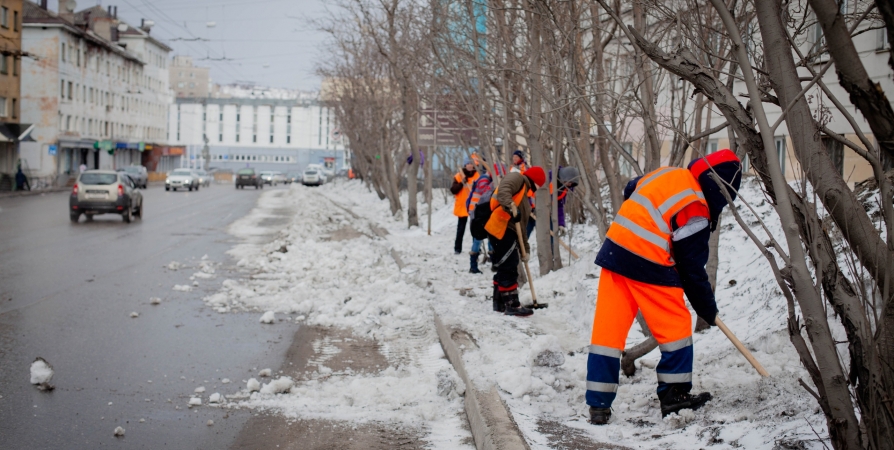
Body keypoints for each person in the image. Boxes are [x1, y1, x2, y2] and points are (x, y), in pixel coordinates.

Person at [586, 149, 742, 425]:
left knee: (607, 333)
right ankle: (674, 396)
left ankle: (598, 405)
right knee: (676, 327)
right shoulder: (695, 207)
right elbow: (691, 270)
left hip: (615, 251)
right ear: (721, 190)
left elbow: (631, 187)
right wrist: (707, 308)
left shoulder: (672, 174)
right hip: (648, 261)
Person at [484, 166, 546, 316]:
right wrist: (511, 207)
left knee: (506, 264)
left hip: (506, 230)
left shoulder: (525, 198)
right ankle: (512, 304)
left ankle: (499, 303)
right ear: (536, 182)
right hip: (500, 227)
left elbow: (522, 228)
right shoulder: (517, 178)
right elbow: (504, 191)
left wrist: (525, 250)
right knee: (509, 265)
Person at [467, 164, 494, 274]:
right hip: (478, 214)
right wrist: (494, 185)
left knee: (490, 237)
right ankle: (473, 266)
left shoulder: (484, 178)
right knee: (478, 239)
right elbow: (485, 194)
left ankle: (493, 262)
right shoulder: (484, 180)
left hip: (480, 212)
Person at [450, 158, 480, 254]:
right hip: (462, 206)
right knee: (460, 229)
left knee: (475, 230)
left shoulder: (478, 176)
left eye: (471, 164)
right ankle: (457, 249)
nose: (470, 166)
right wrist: (462, 183)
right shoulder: (459, 176)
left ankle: (476, 248)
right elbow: (453, 190)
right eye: (468, 164)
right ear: (465, 165)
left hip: (474, 206)